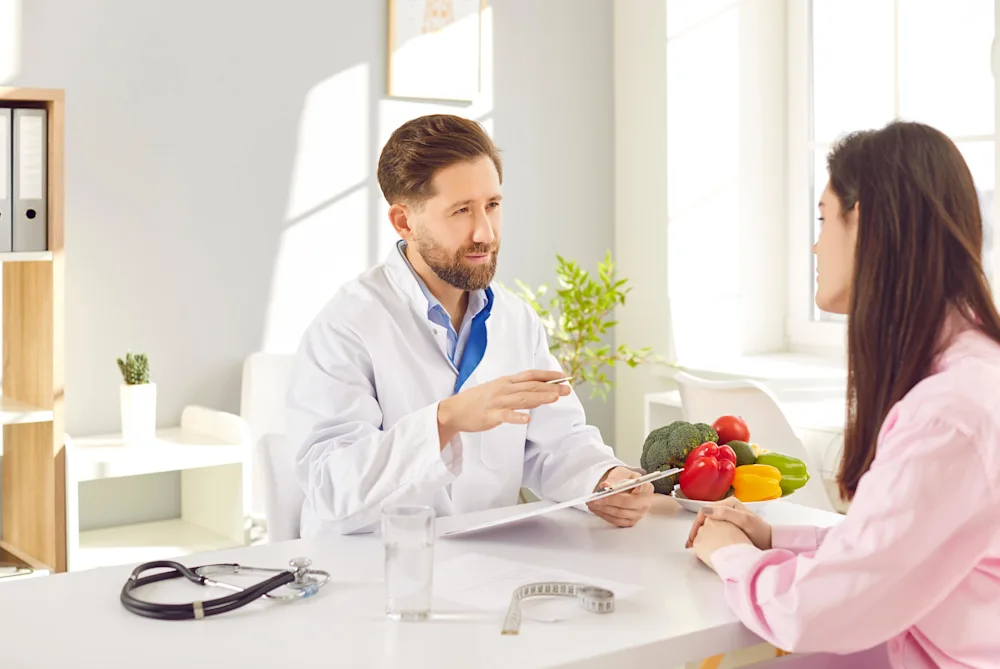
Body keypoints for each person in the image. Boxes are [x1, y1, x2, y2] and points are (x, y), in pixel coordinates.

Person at [687, 121, 1000, 668]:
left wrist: (731, 555)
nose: (814, 244)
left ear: (868, 226)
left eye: (824, 218)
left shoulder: (950, 414)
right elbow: (891, 554)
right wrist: (772, 538)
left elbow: (816, 612)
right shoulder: (961, 372)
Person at [286, 113, 653, 538]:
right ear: (404, 222)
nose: (485, 232)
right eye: (461, 211)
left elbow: (553, 442)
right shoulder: (346, 325)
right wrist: (445, 420)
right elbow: (330, 486)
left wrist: (602, 480)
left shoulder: (515, 319)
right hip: (368, 570)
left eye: (492, 206)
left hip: (485, 559)